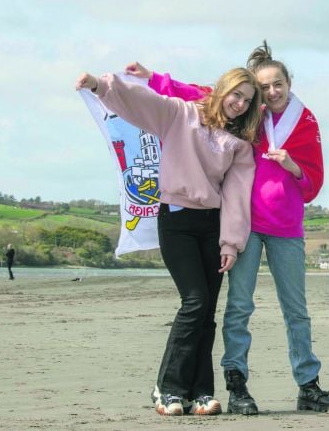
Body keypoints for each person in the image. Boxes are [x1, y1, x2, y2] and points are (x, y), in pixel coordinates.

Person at [125, 41, 329, 415]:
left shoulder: (306, 121)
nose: (272, 92)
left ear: (290, 84)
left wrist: (293, 164)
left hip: (287, 227)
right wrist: (153, 79)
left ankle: (308, 384)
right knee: (239, 307)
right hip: (246, 226)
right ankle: (237, 383)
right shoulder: (245, 116)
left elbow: (313, 184)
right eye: (265, 86)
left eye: (279, 85)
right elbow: (200, 94)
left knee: (297, 311)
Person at [76, 66, 260, 417]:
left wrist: (230, 243)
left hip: (212, 225)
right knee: (195, 301)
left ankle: (202, 392)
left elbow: (237, 195)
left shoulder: (239, 144)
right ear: (222, 90)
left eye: (248, 100)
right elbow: (142, 101)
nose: (240, 103)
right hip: (176, 220)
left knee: (207, 312)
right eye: (237, 94)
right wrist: (101, 86)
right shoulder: (182, 113)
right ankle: (168, 388)